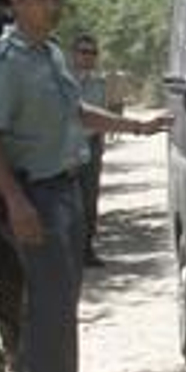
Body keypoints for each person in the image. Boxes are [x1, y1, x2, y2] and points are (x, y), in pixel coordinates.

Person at [0, 0, 170, 372]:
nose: (50, 6)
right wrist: (15, 201)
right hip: (32, 194)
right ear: (15, 2)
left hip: (66, 190)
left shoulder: (50, 56)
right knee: (50, 309)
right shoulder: (3, 61)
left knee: (54, 308)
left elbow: (77, 114)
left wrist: (138, 128)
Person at [71, 33, 108, 266]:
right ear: (74, 54)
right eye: (83, 52)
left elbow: (101, 116)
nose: (87, 57)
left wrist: (101, 146)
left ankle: (87, 249)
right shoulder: (63, 80)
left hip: (91, 145)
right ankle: (69, 250)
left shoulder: (100, 83)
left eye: (92, 53)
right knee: (68, 199)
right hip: (68, 146)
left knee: (89, 198)